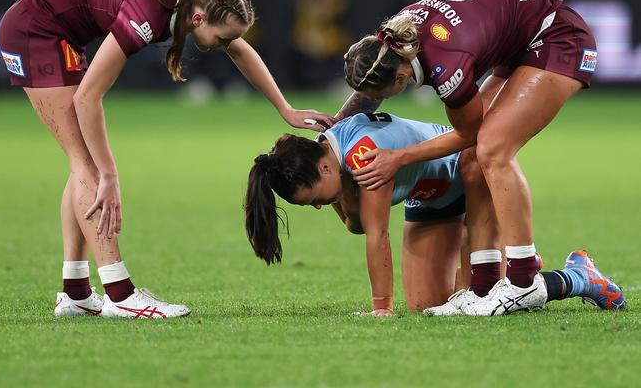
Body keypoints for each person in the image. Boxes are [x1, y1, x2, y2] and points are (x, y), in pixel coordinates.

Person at [0, 0, 331, 319]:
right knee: (88, 165)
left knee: (83, 166)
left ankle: (75, 293)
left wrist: (284, 108)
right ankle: (120, 295)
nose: (225, 45)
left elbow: (240, 49)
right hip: (34, 35)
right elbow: (87, 98)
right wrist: (110, 174)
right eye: (222, 37)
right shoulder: (146, 14)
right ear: (200, 19)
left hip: (51, 32)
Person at [336, 0, 617, 315]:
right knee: (470, 160)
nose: (371, 100)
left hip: (556, 35)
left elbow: (467, 132)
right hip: (520, 44)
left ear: (401, 77)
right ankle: (481, 287)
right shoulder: (393, 41)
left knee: (491, 149)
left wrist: (398, 157)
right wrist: (336, 126)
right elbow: (374, 80)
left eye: (377, 93)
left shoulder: (444, 63)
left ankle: (523, 279)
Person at [245, 113, 626, 315]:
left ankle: (577, 276)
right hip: (427, 197)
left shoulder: (362, 157)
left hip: (466, 176)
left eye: (311, 198)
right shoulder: (333, 163)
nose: (316, 207)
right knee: (429, 306)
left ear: (325, 169)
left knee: (484, 301)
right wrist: (339, 197)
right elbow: (356, 226)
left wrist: (381, 309)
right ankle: (518, 271)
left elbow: (376, 234)